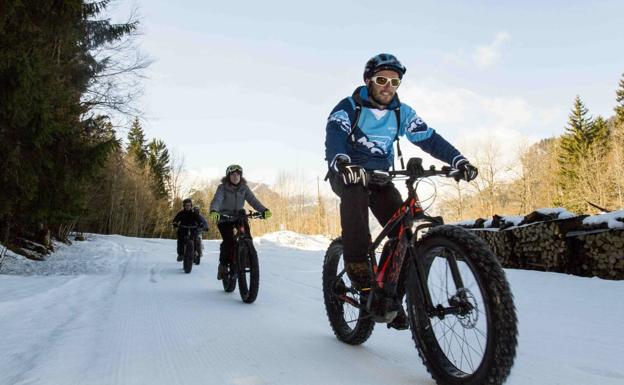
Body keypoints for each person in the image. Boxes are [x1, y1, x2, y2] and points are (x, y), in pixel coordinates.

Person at [324, 53, 478, 329]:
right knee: (355, 193)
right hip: (348, 173)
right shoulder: (349, 106)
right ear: (369, 81)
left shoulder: (402, 112)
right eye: (382, 80)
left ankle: (388, 298)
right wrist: (343, 162)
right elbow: (335, 134)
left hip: (381, 178)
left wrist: (458, 160)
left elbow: (429, 137)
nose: (388, 86)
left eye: (394, 82)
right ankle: (358, 266)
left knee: (402, 230)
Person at [209, 165, 272, 279]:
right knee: (228, 240)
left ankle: (247, 258)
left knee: (247, 236)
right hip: (224, 217)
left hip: (239, 217)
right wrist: (214, 210)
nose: (235, 177)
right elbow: (217, 200)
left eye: (238, 174)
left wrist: (264, 210)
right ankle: (223, 265)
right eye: (233, 174)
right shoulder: (222, 188)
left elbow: (253, 201)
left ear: (240, 176)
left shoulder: (244, 188)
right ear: (228, 176)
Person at [172, 198, 204, 262]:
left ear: (191, 205)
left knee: (196, 239)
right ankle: (180, 254)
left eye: (189, 205)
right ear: (184, 206)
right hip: (183, 229)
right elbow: (176, 220)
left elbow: (199, 220)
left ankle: (195, 252)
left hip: (192, 229)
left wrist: (201, 224)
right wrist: (175, 223)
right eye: (186, 205)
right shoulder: (181, 213)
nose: (188, 207)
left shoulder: (194, 213)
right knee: (180, 240)